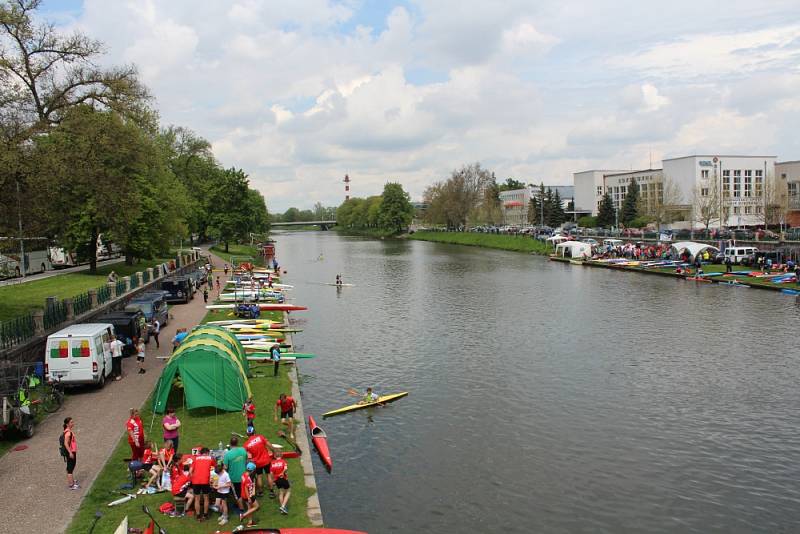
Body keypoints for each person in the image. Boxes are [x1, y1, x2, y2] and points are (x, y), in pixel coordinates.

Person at [243, 426, 275, 496]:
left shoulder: (246, 444)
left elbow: (244, 454)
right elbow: (269, 445)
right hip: (266, 460)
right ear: (254, 432)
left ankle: (260, 492)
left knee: (259, 476)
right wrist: (274, 451)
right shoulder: (260, 437)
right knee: (268, 475)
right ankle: (272, 492)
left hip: (257, 462)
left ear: (247, 434)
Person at [190, 447, 215, 522]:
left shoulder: (195, 458)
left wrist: (193, 479)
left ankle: (198, 516)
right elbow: (214, 468)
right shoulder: (210, 458)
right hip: (205, 480)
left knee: (197, 499)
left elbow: (190, 471)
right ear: (207, 453)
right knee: (206, 498)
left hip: (196, 481)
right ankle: (205, 514)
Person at [223, 436, 248, 511]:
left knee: (238, 495)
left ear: (230, 444)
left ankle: (241, 509)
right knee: (245, 492)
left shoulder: (228, 454)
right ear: (237, 443)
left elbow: (225, 468)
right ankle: (250, 506)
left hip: (234, 478)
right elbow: (246, 461)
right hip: (244, 476)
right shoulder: (243, 450)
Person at [269, 445, 290, 514]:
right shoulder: (283, 461)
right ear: (281, 455)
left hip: (277, 480)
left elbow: (271, 473)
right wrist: (282, 473)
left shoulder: (272, 463)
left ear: (274, 456)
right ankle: (283, 506)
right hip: (283, 478)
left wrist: (273, 480)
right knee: (288, 491)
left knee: (281, 492)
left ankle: (282, 509)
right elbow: (286, 469)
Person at [239, 462, 259, 527]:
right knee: (256, 506)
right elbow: (246, 488)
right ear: (252, 470)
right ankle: (243, 515)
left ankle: (250, 522)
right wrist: (249, 498)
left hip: (243, 495)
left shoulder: (243, 475)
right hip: (248, 496)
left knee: (249, 508)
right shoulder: (248, 479)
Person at [62, 417, 79, 489]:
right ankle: (71, 485)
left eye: (73, 422)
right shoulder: (68, 433)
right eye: (71, 422)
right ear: (67, 424)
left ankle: (71, 480)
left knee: (71, 466)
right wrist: (70, 453)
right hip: (70, 452)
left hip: (71, 451)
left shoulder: (68, 431)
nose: (73, 423)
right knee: (70, 468)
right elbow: (66, 443)